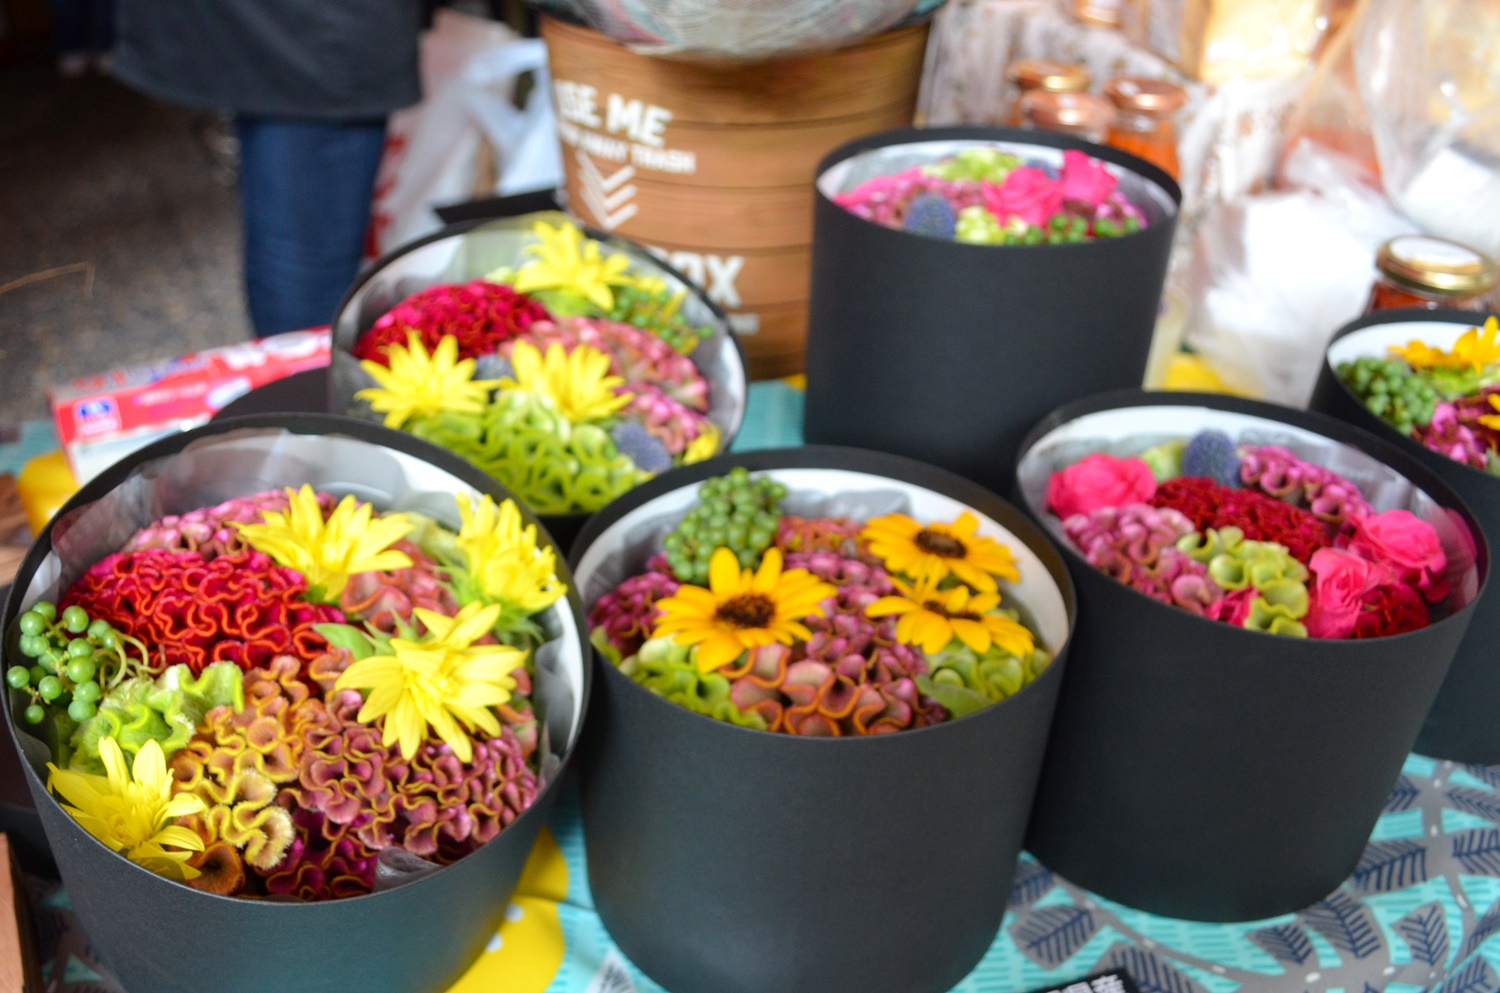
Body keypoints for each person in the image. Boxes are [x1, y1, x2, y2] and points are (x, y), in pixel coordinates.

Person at [111, 1, 426, 337]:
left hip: (301, 41)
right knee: (306, 267)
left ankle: (296, 358)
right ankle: (305, 365)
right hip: (316, 41)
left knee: (293, 250)